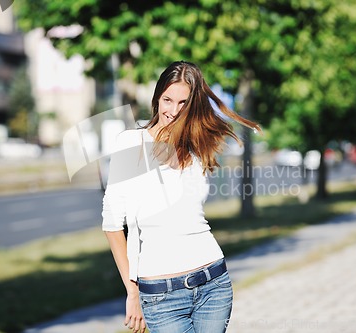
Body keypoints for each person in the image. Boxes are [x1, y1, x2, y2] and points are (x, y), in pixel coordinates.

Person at [102, 60, 260, 333]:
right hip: (161, 296)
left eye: (183, 103)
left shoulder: (198, 146)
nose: (173, 111)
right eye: (167, 100)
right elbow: (112, 224)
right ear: (157, 98)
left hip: (213, 284)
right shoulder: (130, 144)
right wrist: (133, 291)